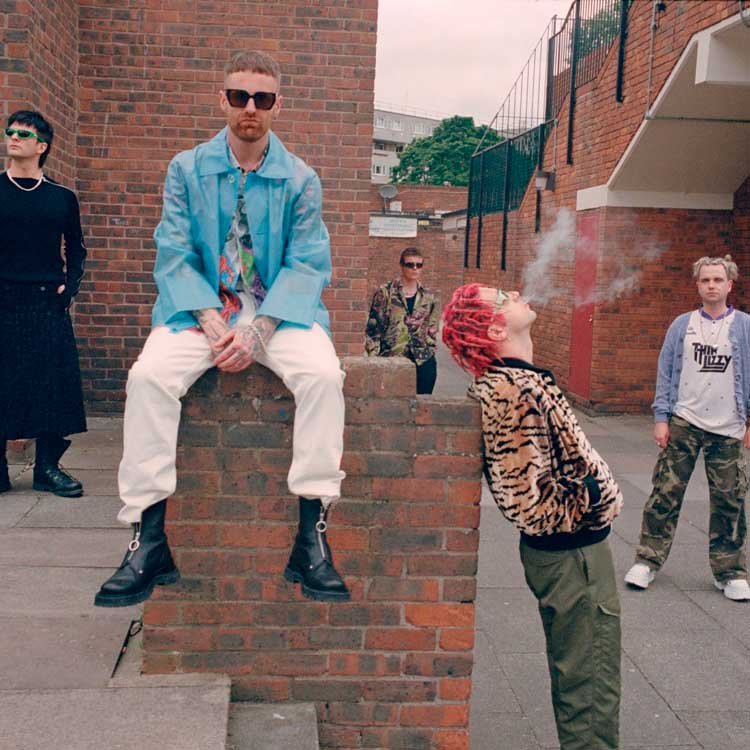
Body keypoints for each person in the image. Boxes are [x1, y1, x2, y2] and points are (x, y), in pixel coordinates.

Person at [94, 51, 349, 607]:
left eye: (262, 98)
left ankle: (311, 538)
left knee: (324, 377)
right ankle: (147, 539)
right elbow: (173, 252)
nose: (250, 107)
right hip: (198, 310)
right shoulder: (187, 169)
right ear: (223, 100)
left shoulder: (301, 178)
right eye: (239, 96)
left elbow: (308, 263)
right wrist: (211, 320)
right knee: (149, 379)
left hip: (278, 312)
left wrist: (258, 330)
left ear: (278, 105)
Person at [442, 284, 623, 750]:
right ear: (495, 329)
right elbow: (528, 503)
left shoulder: (516, 381)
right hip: (572, 555)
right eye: (503, 297)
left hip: (572, 553)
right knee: (590, 684)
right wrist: (592, 493)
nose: (516, 292)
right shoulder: (511, 391)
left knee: (589, 675)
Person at [625, 255, 750, 601]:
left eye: (717, 280)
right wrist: (661, 418)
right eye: (705, 280)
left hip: (729, 428)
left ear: (729, 284)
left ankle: (730, 572)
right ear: (697, 284)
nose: (711, 285)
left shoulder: (744, 326)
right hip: (685, 422)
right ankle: (647, 561)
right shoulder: (682, 325)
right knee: (664, 494)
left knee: (730, 501)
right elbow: (665, 373)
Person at [0, 111, 86, 498]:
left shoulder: (61, 198)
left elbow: (77, 249)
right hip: (2, 300)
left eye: (23, 133)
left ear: (42, 146)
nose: (13, 137)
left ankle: (47, 468)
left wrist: (69, 290)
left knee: (53, 385)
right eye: (10, 131)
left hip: (45, 303)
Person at [365, 247, 439, 394]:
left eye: (419, 265)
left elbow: (432, 328)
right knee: (392, 402)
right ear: (401, 266)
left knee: (423, 403)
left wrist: (430, 349)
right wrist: (375, 360)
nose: (415, 268)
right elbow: (374, 329)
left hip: (423, 359)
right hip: (392, 359)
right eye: (410, 265)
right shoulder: (385, 292)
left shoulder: (429, 296)